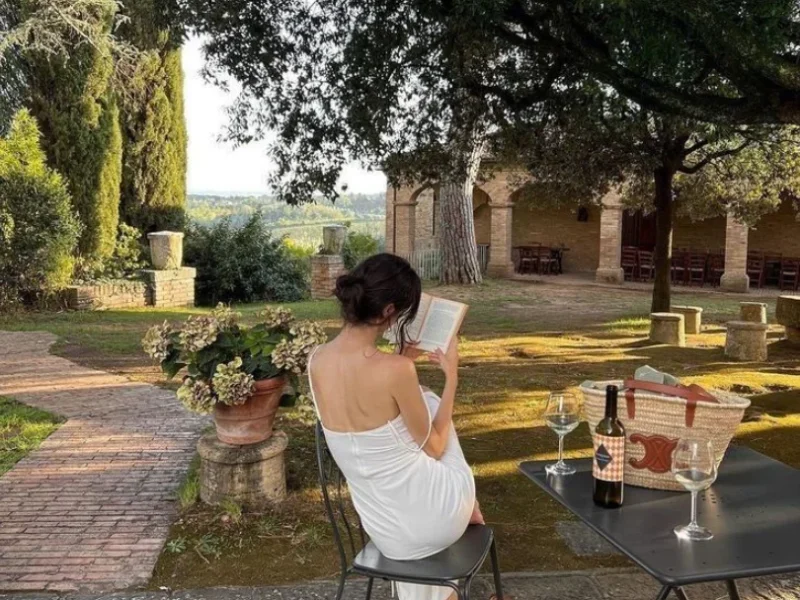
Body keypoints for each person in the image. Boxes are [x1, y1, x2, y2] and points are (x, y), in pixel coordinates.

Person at [307, 253, 485, 600]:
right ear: (389, 311)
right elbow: (434, 446)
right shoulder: (395, 371)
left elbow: (368, 413)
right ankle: (470, 510)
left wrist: (403, 360)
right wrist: (453, 376)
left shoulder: (316, 361)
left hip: (383, 527)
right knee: (432, 403)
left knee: (416, 419)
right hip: (433, 520)